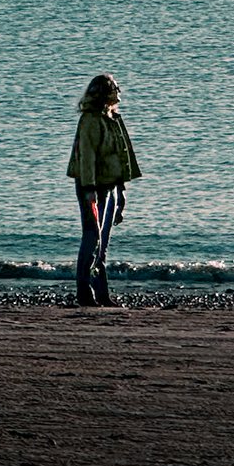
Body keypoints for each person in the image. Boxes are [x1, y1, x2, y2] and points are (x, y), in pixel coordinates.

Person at [67, 73, 143, 307]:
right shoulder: (90, 120)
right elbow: (86, 158)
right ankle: (84, 291)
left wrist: (121, 193)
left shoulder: (112, 119)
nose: (118, 93)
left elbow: (119, 158)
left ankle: (101, 293)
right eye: (113, 89)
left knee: (103, 243)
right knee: (92, 238)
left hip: (109, 186)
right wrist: (89, 189)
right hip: (92, 187)